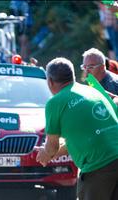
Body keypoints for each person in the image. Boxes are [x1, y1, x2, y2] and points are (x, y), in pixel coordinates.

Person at [35, 57, 118, 200]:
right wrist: (51, 153)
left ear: (50, 82)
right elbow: (80, 138)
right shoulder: (92, 90)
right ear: (73, 76)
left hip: (98, 166)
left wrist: (46, 153)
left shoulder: (55, 103)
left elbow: (52, 146)